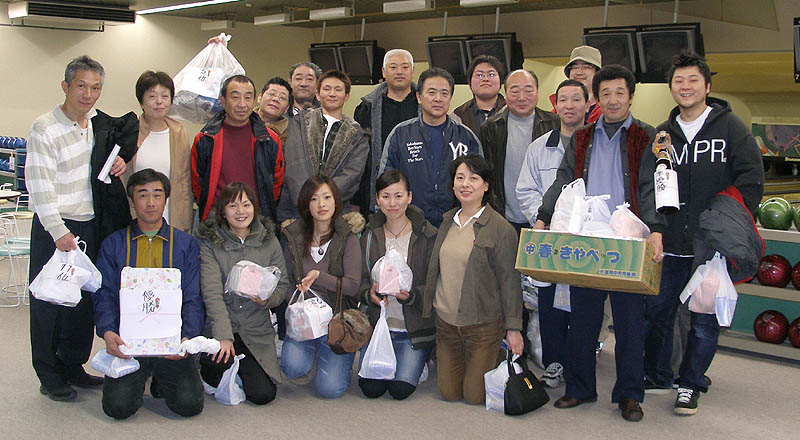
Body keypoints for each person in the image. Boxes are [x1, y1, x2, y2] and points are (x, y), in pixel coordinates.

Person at [535, 64, 664, 422]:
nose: (612, 99)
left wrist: (655, 229)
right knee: (583, 320)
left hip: (628, 240)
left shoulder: (645, 136)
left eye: (620, 92)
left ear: (631, 96)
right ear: (596, 98)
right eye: (605, 93)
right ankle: (580, 388)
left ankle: (629, 395)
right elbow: (563, 180)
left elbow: (650, 187)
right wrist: (544, 215)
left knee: (629, 324)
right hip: (588, 238)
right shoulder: (582, 137)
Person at [642, 52, 764, 415]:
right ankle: (659, 375)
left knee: (702, 320)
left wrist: (724, 221)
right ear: (671, 88)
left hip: (710, 245)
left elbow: (752, 179)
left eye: (693, 80)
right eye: (678, 81)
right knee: (658, 313)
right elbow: (651, 185)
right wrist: (656, 229)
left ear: (707, 86)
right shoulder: (663, 135)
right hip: (671, 243)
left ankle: (690, 384)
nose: (686, 87)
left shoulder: (731, 129)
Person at [26, 55, 137, 402]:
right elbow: (39, 184)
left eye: (95, 87)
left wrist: (120, 161)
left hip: (90, 224)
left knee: (83, 302)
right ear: (66, 86)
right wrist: (58, 231)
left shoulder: (97, 126)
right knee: (49, 301)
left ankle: (73, 364)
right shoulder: (45, 127)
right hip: (56, 227)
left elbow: (112, 157)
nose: (88, 94)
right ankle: (49, 373)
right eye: (81, 86)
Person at [93, 169, 205, 419]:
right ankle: (148, 376)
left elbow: (193, 297)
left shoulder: (185, 244)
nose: (151, 203)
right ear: (132, 201)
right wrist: (108, 331)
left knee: (189, 405)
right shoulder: (114, 244)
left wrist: (187, 338)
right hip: (129, 344)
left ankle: (161, 377)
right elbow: (104, 294)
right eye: (143, 195)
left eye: (157, 194)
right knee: (117, 407)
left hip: (172, 343)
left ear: (166, 199)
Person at [422, 154, 523, 405]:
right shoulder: (447, 222)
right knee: (449, 393)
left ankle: (495, 352)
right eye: (460, 178)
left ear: (486, 185)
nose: (465, 184)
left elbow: (510, 283)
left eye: (473, 178)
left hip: (482, 324)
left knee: (474, 396)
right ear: (452, 184)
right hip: (446, 323)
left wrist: (513, 329)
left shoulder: (501, 229)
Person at [515, 78, 589, 388]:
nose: (569, 105)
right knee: (548, 306)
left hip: (585, 239)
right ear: (555, 104)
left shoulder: (596, 143)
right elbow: (525, 190)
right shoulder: (539, 147)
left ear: (588, 103)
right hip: (548, 237)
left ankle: (582, 365)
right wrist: (546, 221)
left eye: (576, 99)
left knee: (583, 305)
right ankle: (554, 362)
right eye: (563, 100)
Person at [196, 182, 290, 405]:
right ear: (223, 211)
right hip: (223, 323)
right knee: (217, 364)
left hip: (255, 327)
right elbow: (212, 294)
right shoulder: (210, 243)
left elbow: (283, 285)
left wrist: (267, 299)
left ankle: (237, 370)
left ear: (254, 208)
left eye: (246, 205)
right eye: (233, 206)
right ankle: (212, 369)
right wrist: (223, 336)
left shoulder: (269, 240)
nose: (240, 212)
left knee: (263, 394)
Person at [280, 176, 363, 398]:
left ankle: (330, 357)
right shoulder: (294, 236)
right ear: (306, 204)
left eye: (327, 197)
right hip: (304, 321)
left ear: (336, 201)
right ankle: (310, 353)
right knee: (292, 367)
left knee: (330, 389)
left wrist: (319, 277)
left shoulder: (348, 236)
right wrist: (296, 299)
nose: (321, 205)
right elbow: (286, 281)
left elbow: (353, 286)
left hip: (337, 322)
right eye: (314, 199)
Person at [358, 169, 437, 400]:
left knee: (400, 390)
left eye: (398, 196)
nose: (392, 203)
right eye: (385, 196)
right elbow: (359, 279)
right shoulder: (369, 236)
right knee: (371, 389)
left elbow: (434, 284)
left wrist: (412, 296)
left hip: (412, 328)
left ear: (409, 197)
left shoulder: (427, 235)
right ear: (377, 199)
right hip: (378, 326)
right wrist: (369, 293)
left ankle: (420, 359)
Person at [379, 68, 482, 227]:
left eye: (444, 93)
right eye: (432, 92)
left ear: (450, 98)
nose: (438, 99)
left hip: (456, 222)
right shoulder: (400, 134)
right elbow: (386, 181)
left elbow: (479, 182)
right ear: (419, 97)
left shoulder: (466, 137)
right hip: (410, 223)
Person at [191, 74, 284, 223]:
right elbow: (197, 182)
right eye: (235, 97)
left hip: (256, 218)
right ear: (223, 101)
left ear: (254, 100)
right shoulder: (205, 139)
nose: (242, 104)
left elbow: (276, 183)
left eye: (248, 98)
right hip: (216, 218)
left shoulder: (269, 140)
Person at [277, 70, 369, 221]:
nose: (332, 94)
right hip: (295, 210)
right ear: (318, 95)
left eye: (338, 89)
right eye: (327, 89)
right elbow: (295, 163)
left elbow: (352, 174)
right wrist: (308, 198)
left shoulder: (358, 135)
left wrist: (324, 199)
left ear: (346, 96)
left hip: (335, 212)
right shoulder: (301, 122)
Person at [480, 69, 559, 231]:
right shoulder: (491, 127)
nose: (522, 97)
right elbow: (486, 172)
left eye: (528, 91)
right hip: (504, 217)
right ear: (505, 94)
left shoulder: (554, 124)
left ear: (537, 92)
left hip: (545, 218)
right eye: (515, 91)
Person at [125, 70, 193, 232]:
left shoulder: (178, 132)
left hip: (172, 215)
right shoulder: (130, 131)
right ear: (141, 102)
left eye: (165, 96)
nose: (159, 102)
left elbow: (184, 181)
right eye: (152, 96)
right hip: (136, 217)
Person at [353, 49, 419, 215]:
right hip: (378, 189)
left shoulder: (425, 105)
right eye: (393, 67)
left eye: (405, 67)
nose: (399, 72)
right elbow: (359, 157)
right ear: (383, 72)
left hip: (418, 188)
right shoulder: (366, 109)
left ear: (413, 71)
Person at [451, 55, 507, 137]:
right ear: (470, 82)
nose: (485, 79)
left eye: (491, 75)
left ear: (500, 81)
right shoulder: (457, 116)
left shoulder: (511, 111)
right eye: (479, 75)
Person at [548, 45, 603, 124]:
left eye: (586, 67)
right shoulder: (555, 114)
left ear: (597, 72)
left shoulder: (606, 110)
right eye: (574, 67)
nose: (579, 72)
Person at [257, 76, 292, 147]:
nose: (276, 99)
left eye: (282, 98)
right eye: (271, 94)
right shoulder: (242, 121)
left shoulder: (289, 137)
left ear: (286, 108)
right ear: (260, 98)